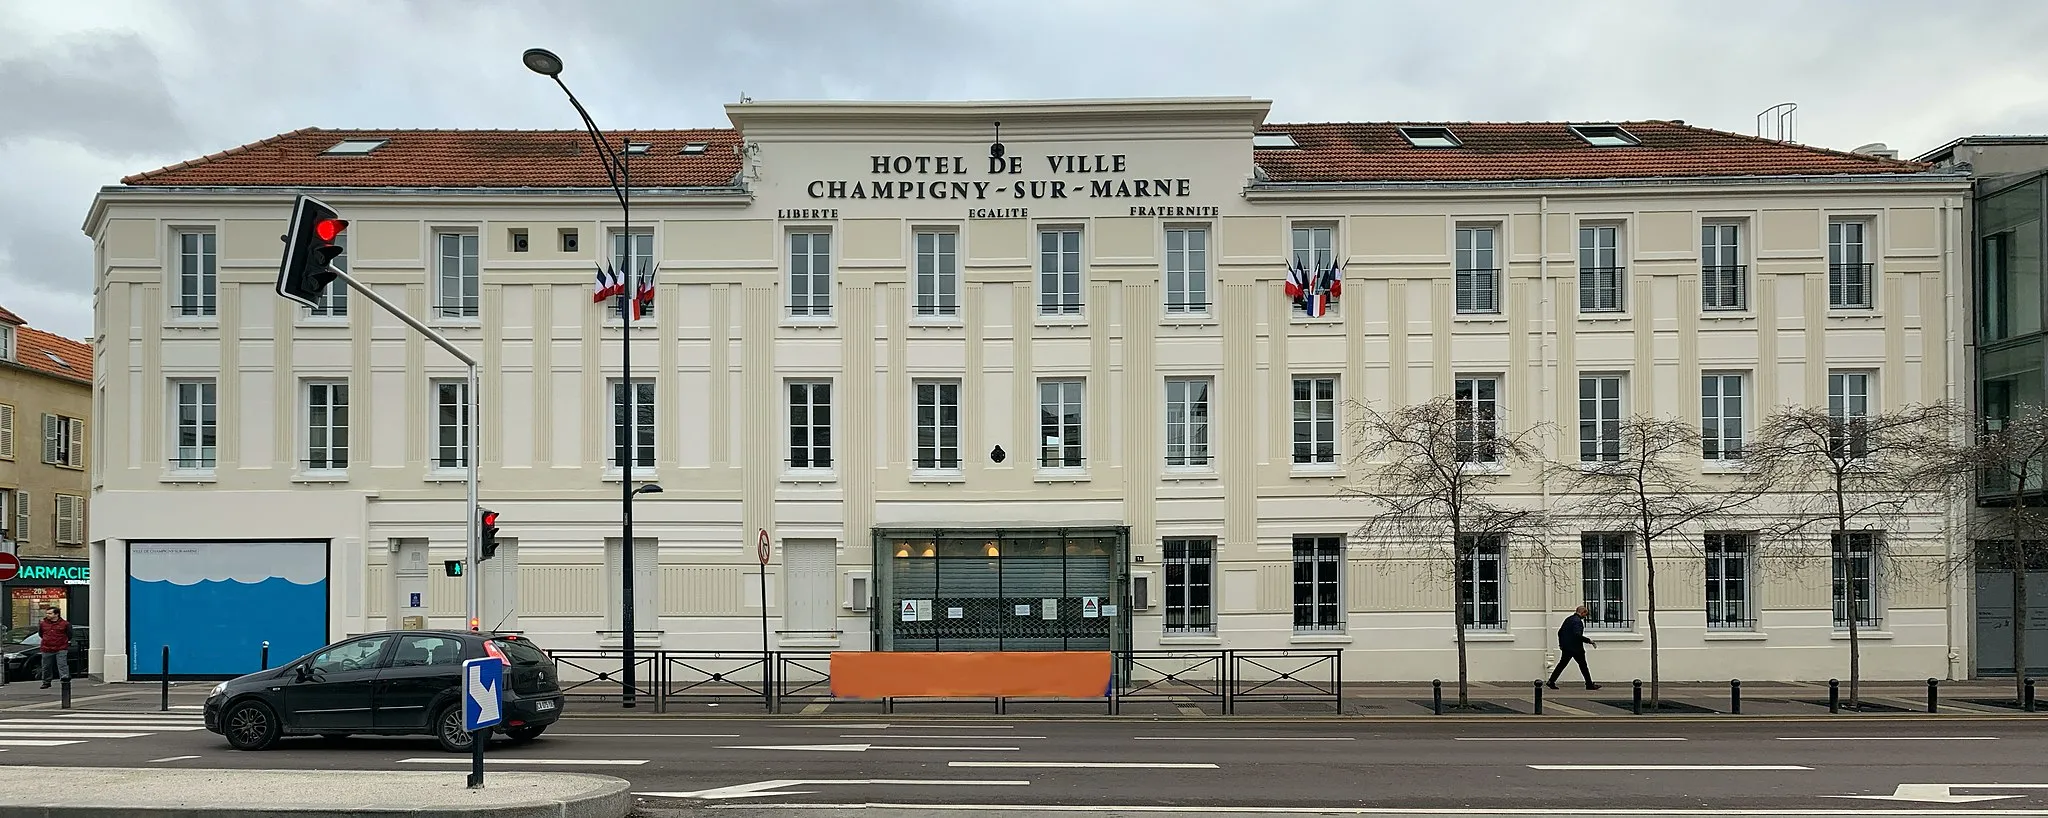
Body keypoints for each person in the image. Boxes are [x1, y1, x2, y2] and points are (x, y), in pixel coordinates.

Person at [1546, 605, 1599, 690]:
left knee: (1561, 665)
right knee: (1583, 666)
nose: (1585, 617)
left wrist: (1561, 644)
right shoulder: (1578, 622)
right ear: (1583, 612)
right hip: (1576, 648)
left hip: (1567, 647)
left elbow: (1560, 632)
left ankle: (1551, 681)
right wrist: (1589, 640)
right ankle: (1589, 684)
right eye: (1585, 614)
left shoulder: (1568, 619)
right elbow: (1577, 635)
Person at [36, 606, 70, 689]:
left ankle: (64, 679)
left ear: (56, 614)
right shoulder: (43, 624)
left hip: (61, 647)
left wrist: (63, 642)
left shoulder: (65, 624)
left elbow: (69, 634)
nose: (48, 615)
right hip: (47, 648)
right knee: (46, 666)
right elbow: (41, 634)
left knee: (62, 664)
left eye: (50, 613)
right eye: (47, 613)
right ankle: (46, 682)